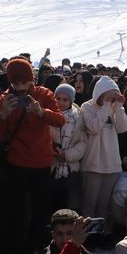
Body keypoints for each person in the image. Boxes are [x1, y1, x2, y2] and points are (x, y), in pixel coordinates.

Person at [0, 57, 64, 254]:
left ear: (32, 80)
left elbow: (60, 120)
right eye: (17, 84)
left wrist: (41, 112)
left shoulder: (43, 94)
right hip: (17, 164)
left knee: (40, 214)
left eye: (25, 83)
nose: (21, 88)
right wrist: (2, 115)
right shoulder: (5, 98)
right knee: (18, 216)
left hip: (41, 163)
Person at [80, 76, 127, 228]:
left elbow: (122, 129)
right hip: (93, 162)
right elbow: (93, 128)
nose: (111, 99)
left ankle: (101, 232)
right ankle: (87, 234)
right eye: (108, 95)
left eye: (114, 95)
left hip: (111, 163)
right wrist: (106, 107)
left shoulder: (116, 107)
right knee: (89, 203)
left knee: (104, 204)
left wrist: (118, 108)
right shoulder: (87, 107)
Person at [50, 83, 87, 212]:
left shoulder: (78, 117)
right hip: (52, 166)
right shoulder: (49, 115)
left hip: (71, 168)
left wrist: (66, 155)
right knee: (52, 203)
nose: (61, 103)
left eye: (65, 99)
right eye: (58, 99)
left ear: (71, 100)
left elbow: (82, 143)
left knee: (70, 205)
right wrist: (53, 151)